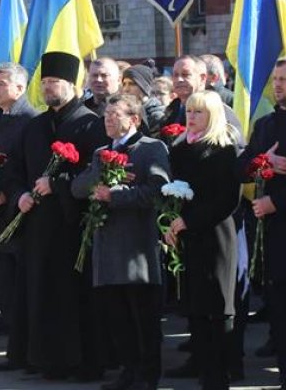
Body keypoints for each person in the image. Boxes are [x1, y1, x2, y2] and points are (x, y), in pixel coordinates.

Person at [3, 51, 109, 381]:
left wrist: (57, 184)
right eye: (45, 82)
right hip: (37, 226)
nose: (49, 88)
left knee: (74, 295)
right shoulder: (34, 126)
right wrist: (20, 194)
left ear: (73, 84)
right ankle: (45, 358)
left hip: (73, 226)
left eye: (56, 82)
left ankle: (82, 362)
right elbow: (13, 169)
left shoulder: (90, 124)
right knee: (40, 292)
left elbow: (97, 172)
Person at [72, 94, 171, 390]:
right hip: (107, 248)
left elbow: (157, 190)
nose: (108, 119)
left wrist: (115, 196)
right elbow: (79, 188)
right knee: (117, 317)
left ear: (135, 119)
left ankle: (148, 374)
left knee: (144, 317)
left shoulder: (151, 148)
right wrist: (95, 182)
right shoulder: (102, 152)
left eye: (115, 115)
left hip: (137, 247)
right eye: (106, 115)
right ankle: (128, 370)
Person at [238, 57, 286, 390]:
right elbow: (245, 166)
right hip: (273, 239)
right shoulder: (264, 124)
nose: (278, 84)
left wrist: (278, 197)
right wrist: (264, 163)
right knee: (283, 320)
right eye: (275, 78)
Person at [165, 90, 241, 390]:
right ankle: (203, 370)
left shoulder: (224, 150)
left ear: (213, 116)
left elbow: (227, 200)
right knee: (195, 306)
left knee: (217, 306)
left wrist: (189, 220)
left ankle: (220, 375)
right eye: (189, 111)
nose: (191, 117)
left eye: (198, 112)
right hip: (187, 237)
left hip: (216, 237)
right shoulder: (180, 148)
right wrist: (170, 220)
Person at [0, 63, 38, 372]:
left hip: (21, 216)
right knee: (5, 287)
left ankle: (29, 352)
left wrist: (7, 195)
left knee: (22, 288)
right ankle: (15, 352)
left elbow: (33, 167)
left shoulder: (31, 121)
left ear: (20, 87)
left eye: (3, 83)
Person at [120, 65, 166, 136]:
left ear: (144, 86)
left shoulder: (157, 116)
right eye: (124, 84)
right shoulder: (123, 112)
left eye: (132, 84)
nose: (126, 89)